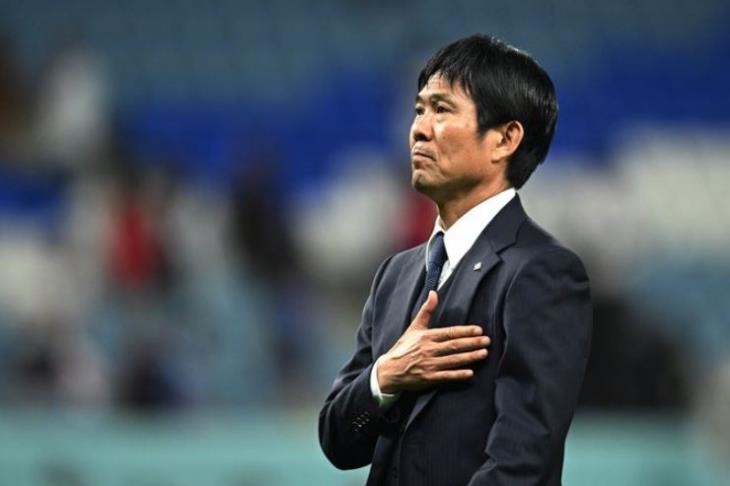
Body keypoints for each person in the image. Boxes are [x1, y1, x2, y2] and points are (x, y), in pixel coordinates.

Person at [319, 34, 592, 486]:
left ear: (505, 139)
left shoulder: (542, 272)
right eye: (419, 110)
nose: (419, 129)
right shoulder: (395, 276)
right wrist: (386, 376)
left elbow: (522, 465)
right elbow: (337, 442)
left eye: (442, 110)